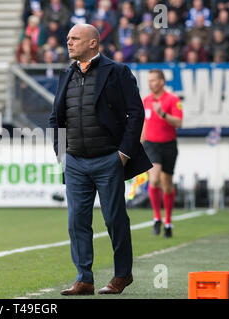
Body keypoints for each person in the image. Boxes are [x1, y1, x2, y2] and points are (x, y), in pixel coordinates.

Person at [49, 24, 152, 296]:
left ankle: (122, 274)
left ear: (93, 43)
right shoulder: (66, 74)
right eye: (67, 38)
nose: (68, 42)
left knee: (114, 219)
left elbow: (136, 114)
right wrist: (62, 155)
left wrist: (123, 154)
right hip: (75, 162)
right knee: (76, 221)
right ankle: (84, 278)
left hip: (109, 159)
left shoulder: (117, 71)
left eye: (74, 39)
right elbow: (55, 119)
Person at [141, 69, 183, 238]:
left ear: (162, 82)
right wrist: (138, 144)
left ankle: (168, 221)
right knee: (154, 178)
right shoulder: (146, 100)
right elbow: (144, 124)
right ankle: (157, 218)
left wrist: (163, 114)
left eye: (153, 80)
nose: (151, 83)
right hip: (151, 146)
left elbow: (179, 122)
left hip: (169, 146)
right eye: (149, 80)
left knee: (167, 185)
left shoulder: (173, 99)